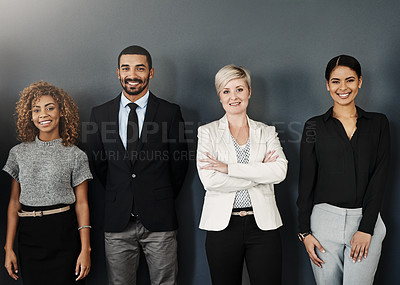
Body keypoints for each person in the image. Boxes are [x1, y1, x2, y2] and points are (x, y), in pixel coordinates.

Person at [87, 45, 188, 285]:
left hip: (160, 219)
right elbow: (99, 163)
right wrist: (121, 193)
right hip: (117, 220)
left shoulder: (169, 113)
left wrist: (157, 196)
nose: (132, 74)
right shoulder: (100, 114)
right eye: (126, 68)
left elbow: (178, 165)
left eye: (140, 68)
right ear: (118, 73)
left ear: (150, 73)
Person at [297, 55, 390, 285]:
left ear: (360, 81)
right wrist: (304, 233)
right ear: (327, 85)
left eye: (349, 80)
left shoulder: (378, 123)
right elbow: (306, 181)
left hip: (365, 220)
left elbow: (380, 176)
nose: (343, 87)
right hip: (323, 222)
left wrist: (366, 228)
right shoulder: (314, 126)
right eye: (335, 81)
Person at [196, 64, 288, 285]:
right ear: (219, 96)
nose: (233, 96)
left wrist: (228, 168)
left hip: (263, 225)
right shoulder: (207, 132)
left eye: (239, 89)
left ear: (249, 92)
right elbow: (210, 181)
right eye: (226, 91)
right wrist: (259, 173)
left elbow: (280, 171)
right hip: (222, 226)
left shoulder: (267, 132)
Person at [3, 81, 92, 285]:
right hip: (30, 237)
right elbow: (14, 203)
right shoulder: (18, 153)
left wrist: (85, 249)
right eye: (36, 110)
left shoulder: (76, 155)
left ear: (61, 112)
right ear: (30, 115)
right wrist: (8, 248)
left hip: (64, 235)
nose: (43, 115)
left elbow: (82, 204)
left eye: (50, 108)